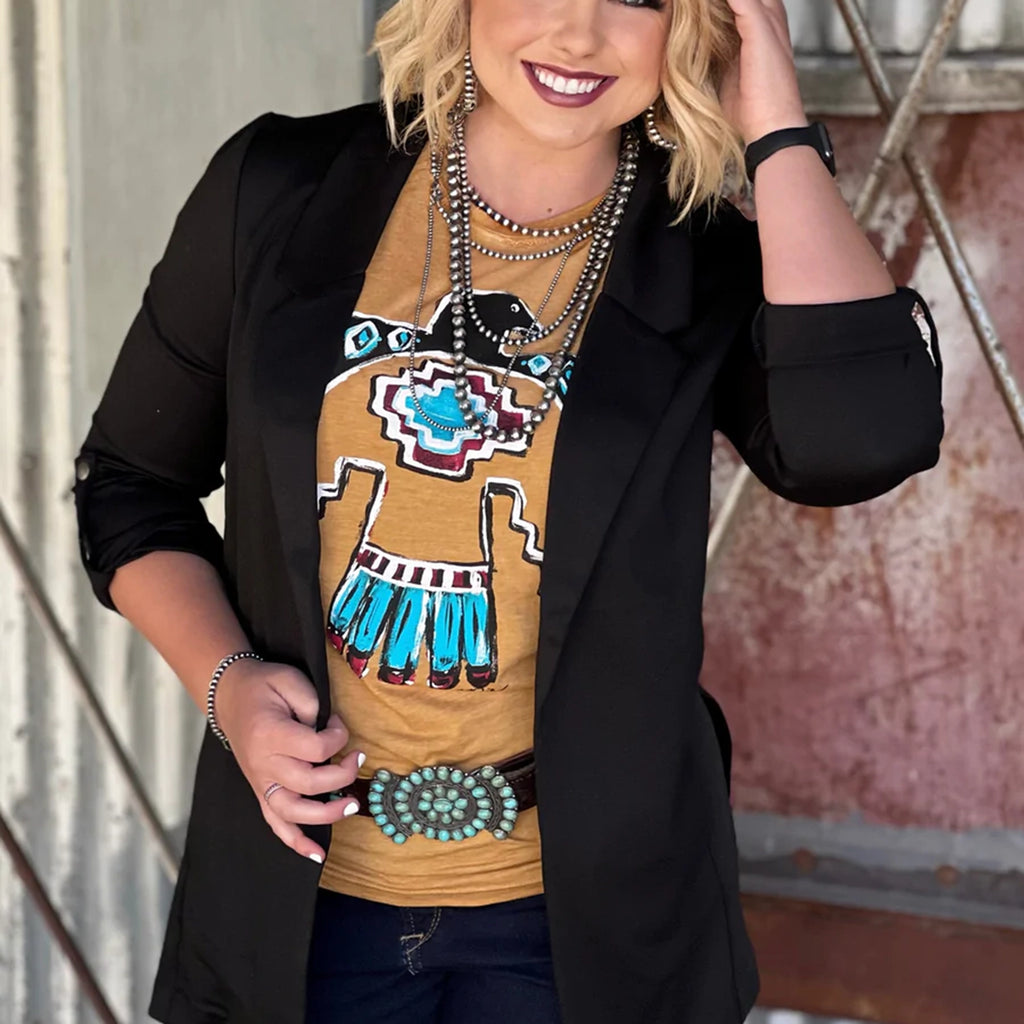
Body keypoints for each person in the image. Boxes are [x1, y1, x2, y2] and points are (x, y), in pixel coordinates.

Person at [72, 1, 944, 1022]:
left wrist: (777, 132)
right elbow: (130, 482)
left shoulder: (706, 253)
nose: (578, 34)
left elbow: (858, 441)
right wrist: (229, 686)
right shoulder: (279, 187)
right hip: (297, 904)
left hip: (586, 930)